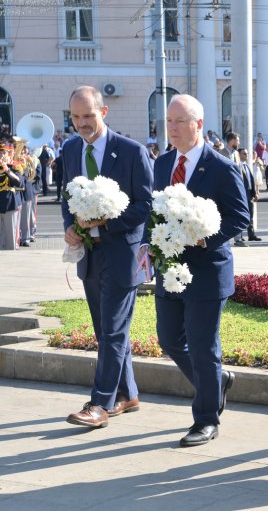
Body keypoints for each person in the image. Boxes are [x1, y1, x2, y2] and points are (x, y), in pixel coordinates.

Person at [148, 94, 250, 447]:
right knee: (169, 339)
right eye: (169, 122)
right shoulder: (162, 163)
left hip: (207, 271)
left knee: (204, 347)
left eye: (179, 122)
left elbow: (240, 217)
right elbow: (155, 211)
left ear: (199, 124)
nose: (172, 129)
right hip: (170, 268)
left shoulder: (221, 167)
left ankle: (206, 419)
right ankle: (217, 382)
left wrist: (206, 239)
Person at [62, 86, 154, 428]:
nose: (82, 123)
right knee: (106, 332)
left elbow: (145, 205)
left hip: (121, 255)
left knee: (114, 331)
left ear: (103, 112)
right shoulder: (71, 150)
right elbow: (66, 198)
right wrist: (71, 227)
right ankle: (127, 394)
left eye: (88, 115)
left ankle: (99, 404)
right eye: (75, 117)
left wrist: (107, 221)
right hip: (90, 256)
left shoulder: (131, 151)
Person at [235, 147, 261, 245]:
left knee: (250, 215)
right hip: (242, 195)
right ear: (239, 155)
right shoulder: (238, 166)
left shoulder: (246, 165)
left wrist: (255, 193)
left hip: (249, 194)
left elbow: (251, 181)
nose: (246, 155)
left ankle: (251, 234)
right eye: (244, 154)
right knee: (241, 215)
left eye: (247, 154)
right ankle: (239, 236)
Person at [0, 149, 22, 250]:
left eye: (4, 153)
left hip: (9, 204)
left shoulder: (13, 167)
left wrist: (7, 170)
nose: (2, 155)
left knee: (10, 237)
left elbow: (19, 183)